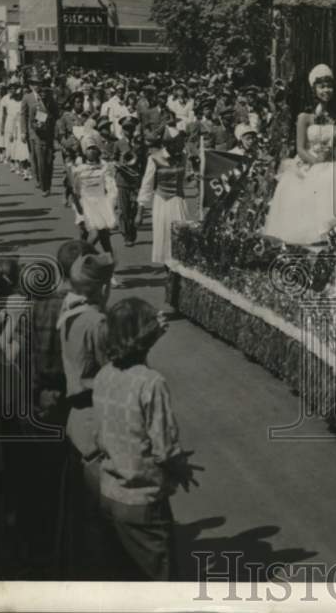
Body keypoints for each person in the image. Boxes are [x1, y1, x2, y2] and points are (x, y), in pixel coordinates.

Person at [93, 298, 198, 580]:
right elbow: (165, 449)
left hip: (109, 493)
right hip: (143, 501)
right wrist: (182, 470)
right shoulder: (152, 383)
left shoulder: (104, 375)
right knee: (161, 580)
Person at [56, 252, 115, 578]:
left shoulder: (69, 312)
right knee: (99, 511)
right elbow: (114, 372)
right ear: (102, 288)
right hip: (95, 419)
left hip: (76, 419)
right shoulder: (97, 322)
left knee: (80, 508)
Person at [263, 64, 336, 243]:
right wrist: (315, 162)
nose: (326, 90)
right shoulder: (304, 117)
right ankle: (316, 234)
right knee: (313, 181)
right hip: (308, 162)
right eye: (322, 86)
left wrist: (332, 153)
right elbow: (300, 148)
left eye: (329, 86)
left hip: (330, 160)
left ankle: (333, 232)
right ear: (314, 89)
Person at [137, 129, 188, 265]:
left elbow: (184, 180)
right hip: (162, 203)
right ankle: (169, 270)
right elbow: (147, 185)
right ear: (170, 144)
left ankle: (177, 270)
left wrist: (194, 177)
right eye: (180, 142)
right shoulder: (154, 158)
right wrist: (140, 212)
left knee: (180, 237)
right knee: (165, 237)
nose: (183, 145)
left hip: (178, 201)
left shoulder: (184, 156)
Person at [72, 135, 120, 269]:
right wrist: (79, 211)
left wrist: (111, 204)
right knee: (94, 234)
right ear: (84, 151)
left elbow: (111, 186)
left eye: (94, 148)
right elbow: (75, 191)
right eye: (88, 149)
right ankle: (79, 262)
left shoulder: (104, 166)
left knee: (105, 240)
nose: (91, 151)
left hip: (102, 203)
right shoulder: (79, 168)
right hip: (86, 204)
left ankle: (110, 270)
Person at [114, 117, 144, 247]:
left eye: (131, 128)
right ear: (122, 129)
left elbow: (144, 161)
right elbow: (113, 158)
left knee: (134, 208)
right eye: (126, 128)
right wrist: (118, 164)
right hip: (122, 179)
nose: (129, 131)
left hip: (135, 179)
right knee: (124, 209)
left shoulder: (140, 144)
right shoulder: (118, 143)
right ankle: (126, 234)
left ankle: (132, 232)